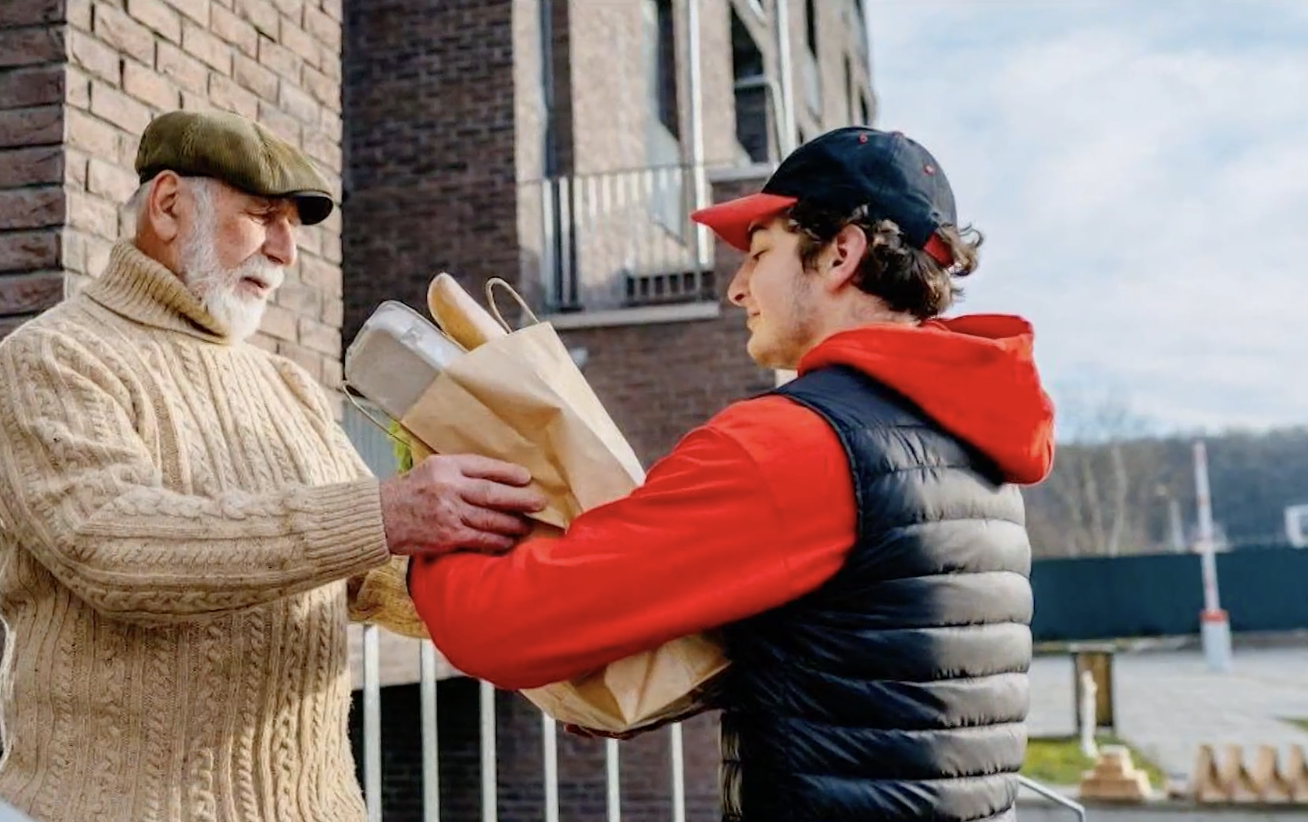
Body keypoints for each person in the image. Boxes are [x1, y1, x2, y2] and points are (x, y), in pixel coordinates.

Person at [408, 126, 1056, 822]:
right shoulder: (972, 440)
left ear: (841, 253)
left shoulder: (795, 443)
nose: (738, 287)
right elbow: (875, 665)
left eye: (760, 253)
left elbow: (504, 626)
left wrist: (429, 527)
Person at [0, 109, 546, 822]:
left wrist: (556, 656)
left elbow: (376, 576)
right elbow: (114, 548)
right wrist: (388, 511)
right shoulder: (53, 359)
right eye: (262, 216)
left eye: (293, 229)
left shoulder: (288, 386)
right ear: (170, 205)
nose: (285, 252)